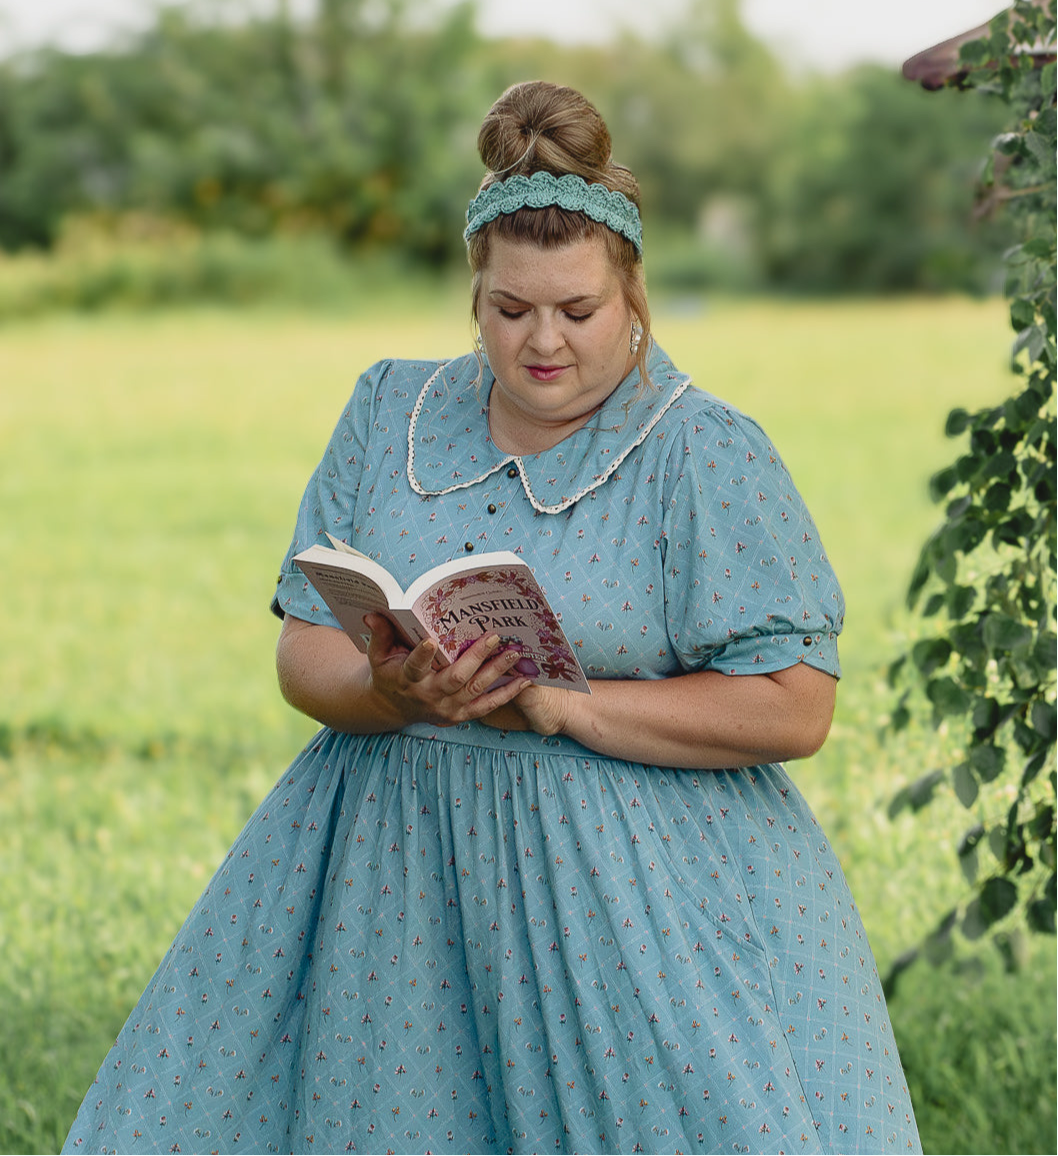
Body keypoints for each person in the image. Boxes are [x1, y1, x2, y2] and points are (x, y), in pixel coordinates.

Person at [61, 80, 922, 1156]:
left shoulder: (702, 451)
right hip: (394, 878)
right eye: (510, 311)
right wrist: (386, 685)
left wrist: (566, 706)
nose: (542, 341)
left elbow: (795, 705)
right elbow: (300, 648)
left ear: (633, 295)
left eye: (576, 310)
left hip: (631, 895)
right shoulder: (388, 410)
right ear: (474, 296)